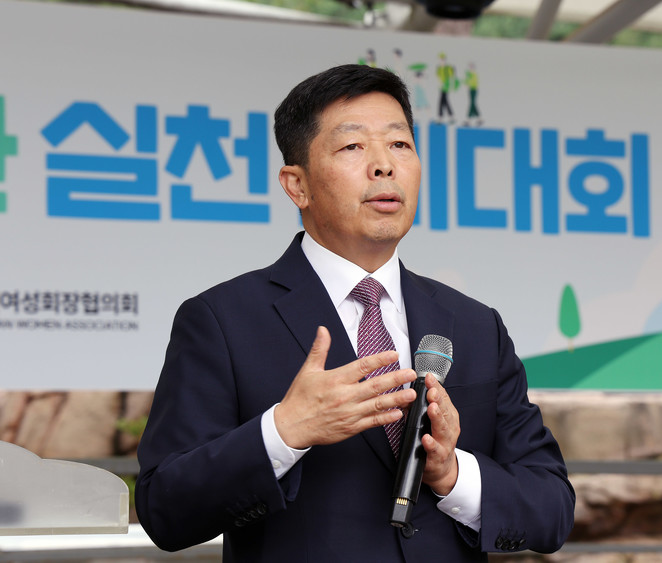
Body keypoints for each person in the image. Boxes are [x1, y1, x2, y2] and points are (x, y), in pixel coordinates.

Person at [135, 64, 575, 562]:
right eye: (352, 146)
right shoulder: (221, 320)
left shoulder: (475, 326)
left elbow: (552, 509)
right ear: (297, 185)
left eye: (400, 144)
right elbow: (164, 508)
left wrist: (453, 474)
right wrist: (284, 431)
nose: (384, 165)